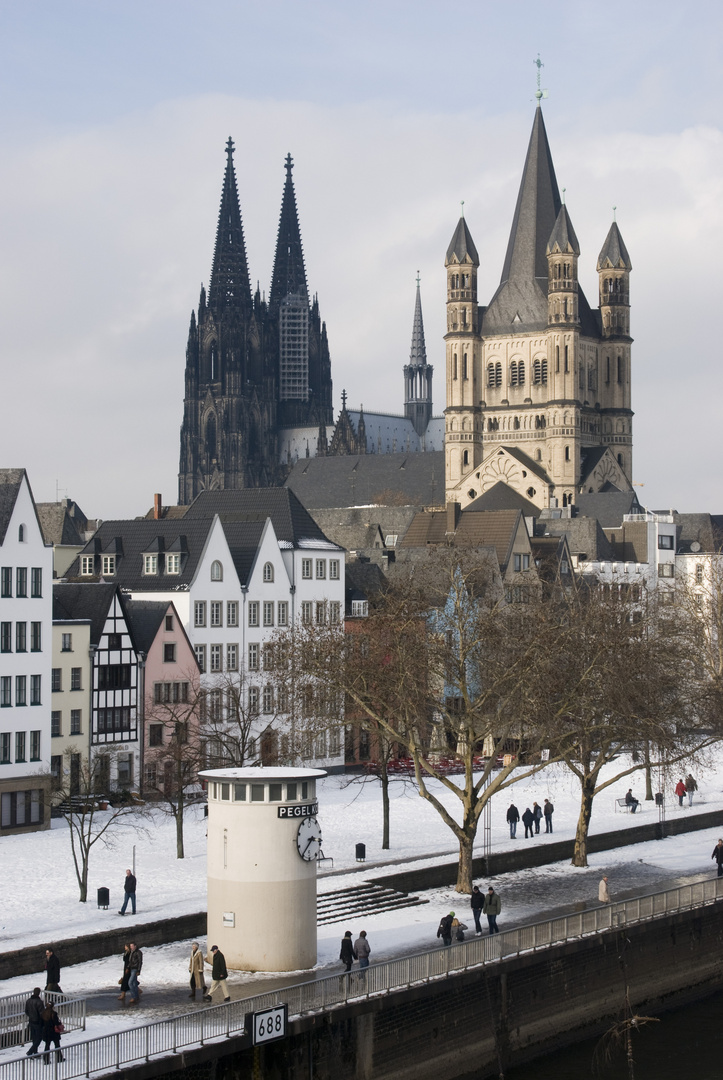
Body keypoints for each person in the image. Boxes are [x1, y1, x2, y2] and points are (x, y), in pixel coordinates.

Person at [24, 988, 44, 1056]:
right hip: (38, 1022)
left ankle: (35, 1052)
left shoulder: (28, 1001)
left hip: (31, 1021)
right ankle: (31, 1051)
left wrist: (31, 1016)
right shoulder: (39, 1002)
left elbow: (26, 1011)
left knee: (34, 1037)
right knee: (39, 1037)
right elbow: (42, 1013)